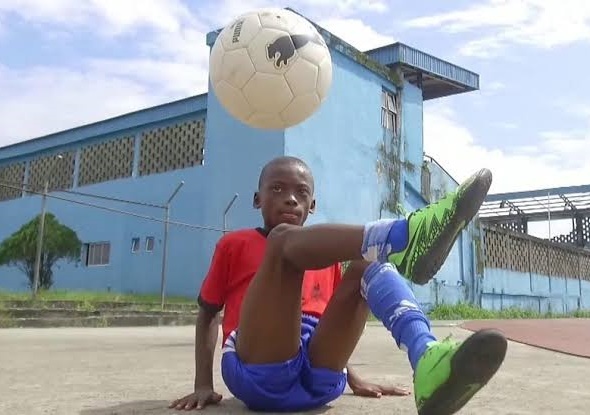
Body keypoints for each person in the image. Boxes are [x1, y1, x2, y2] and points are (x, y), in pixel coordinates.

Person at [170, 156, 507, 415]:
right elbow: (208, 314)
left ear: (312, 206)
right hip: (259, 370)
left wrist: (353, 378)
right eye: (277, 189)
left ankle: (427, 360)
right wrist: (203, 383)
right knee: (284, 243)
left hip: (320, 380)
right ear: (257, 200)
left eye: (301, 193)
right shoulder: (235, 244)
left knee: (367, 266)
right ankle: (401, 236)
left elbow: (332, 322)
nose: (290, 199)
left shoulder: (327, 256)